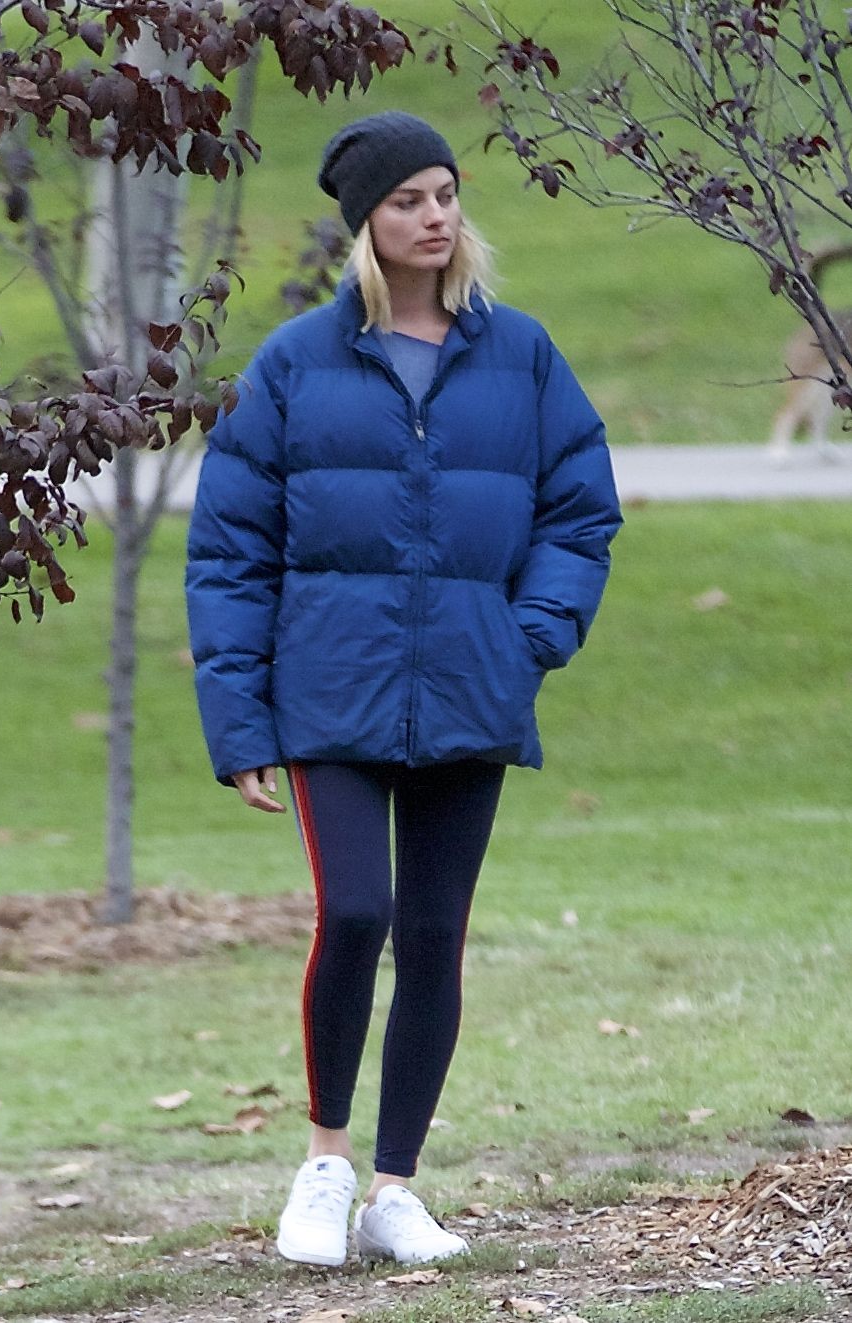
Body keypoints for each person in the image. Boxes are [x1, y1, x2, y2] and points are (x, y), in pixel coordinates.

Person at [185, 111, 622, 1269]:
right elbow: (229, 554)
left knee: (432, 935)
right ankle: (324, 1166)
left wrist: (529, 638)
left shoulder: (522, 354)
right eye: (407, 201)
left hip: (473, 690)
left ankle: (394, 1189)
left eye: (444, 194)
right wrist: (240, 723)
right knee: (357, 914)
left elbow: (581, 510)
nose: (435, 218)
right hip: (327, 692)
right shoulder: (294, 365)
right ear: (365, 223)